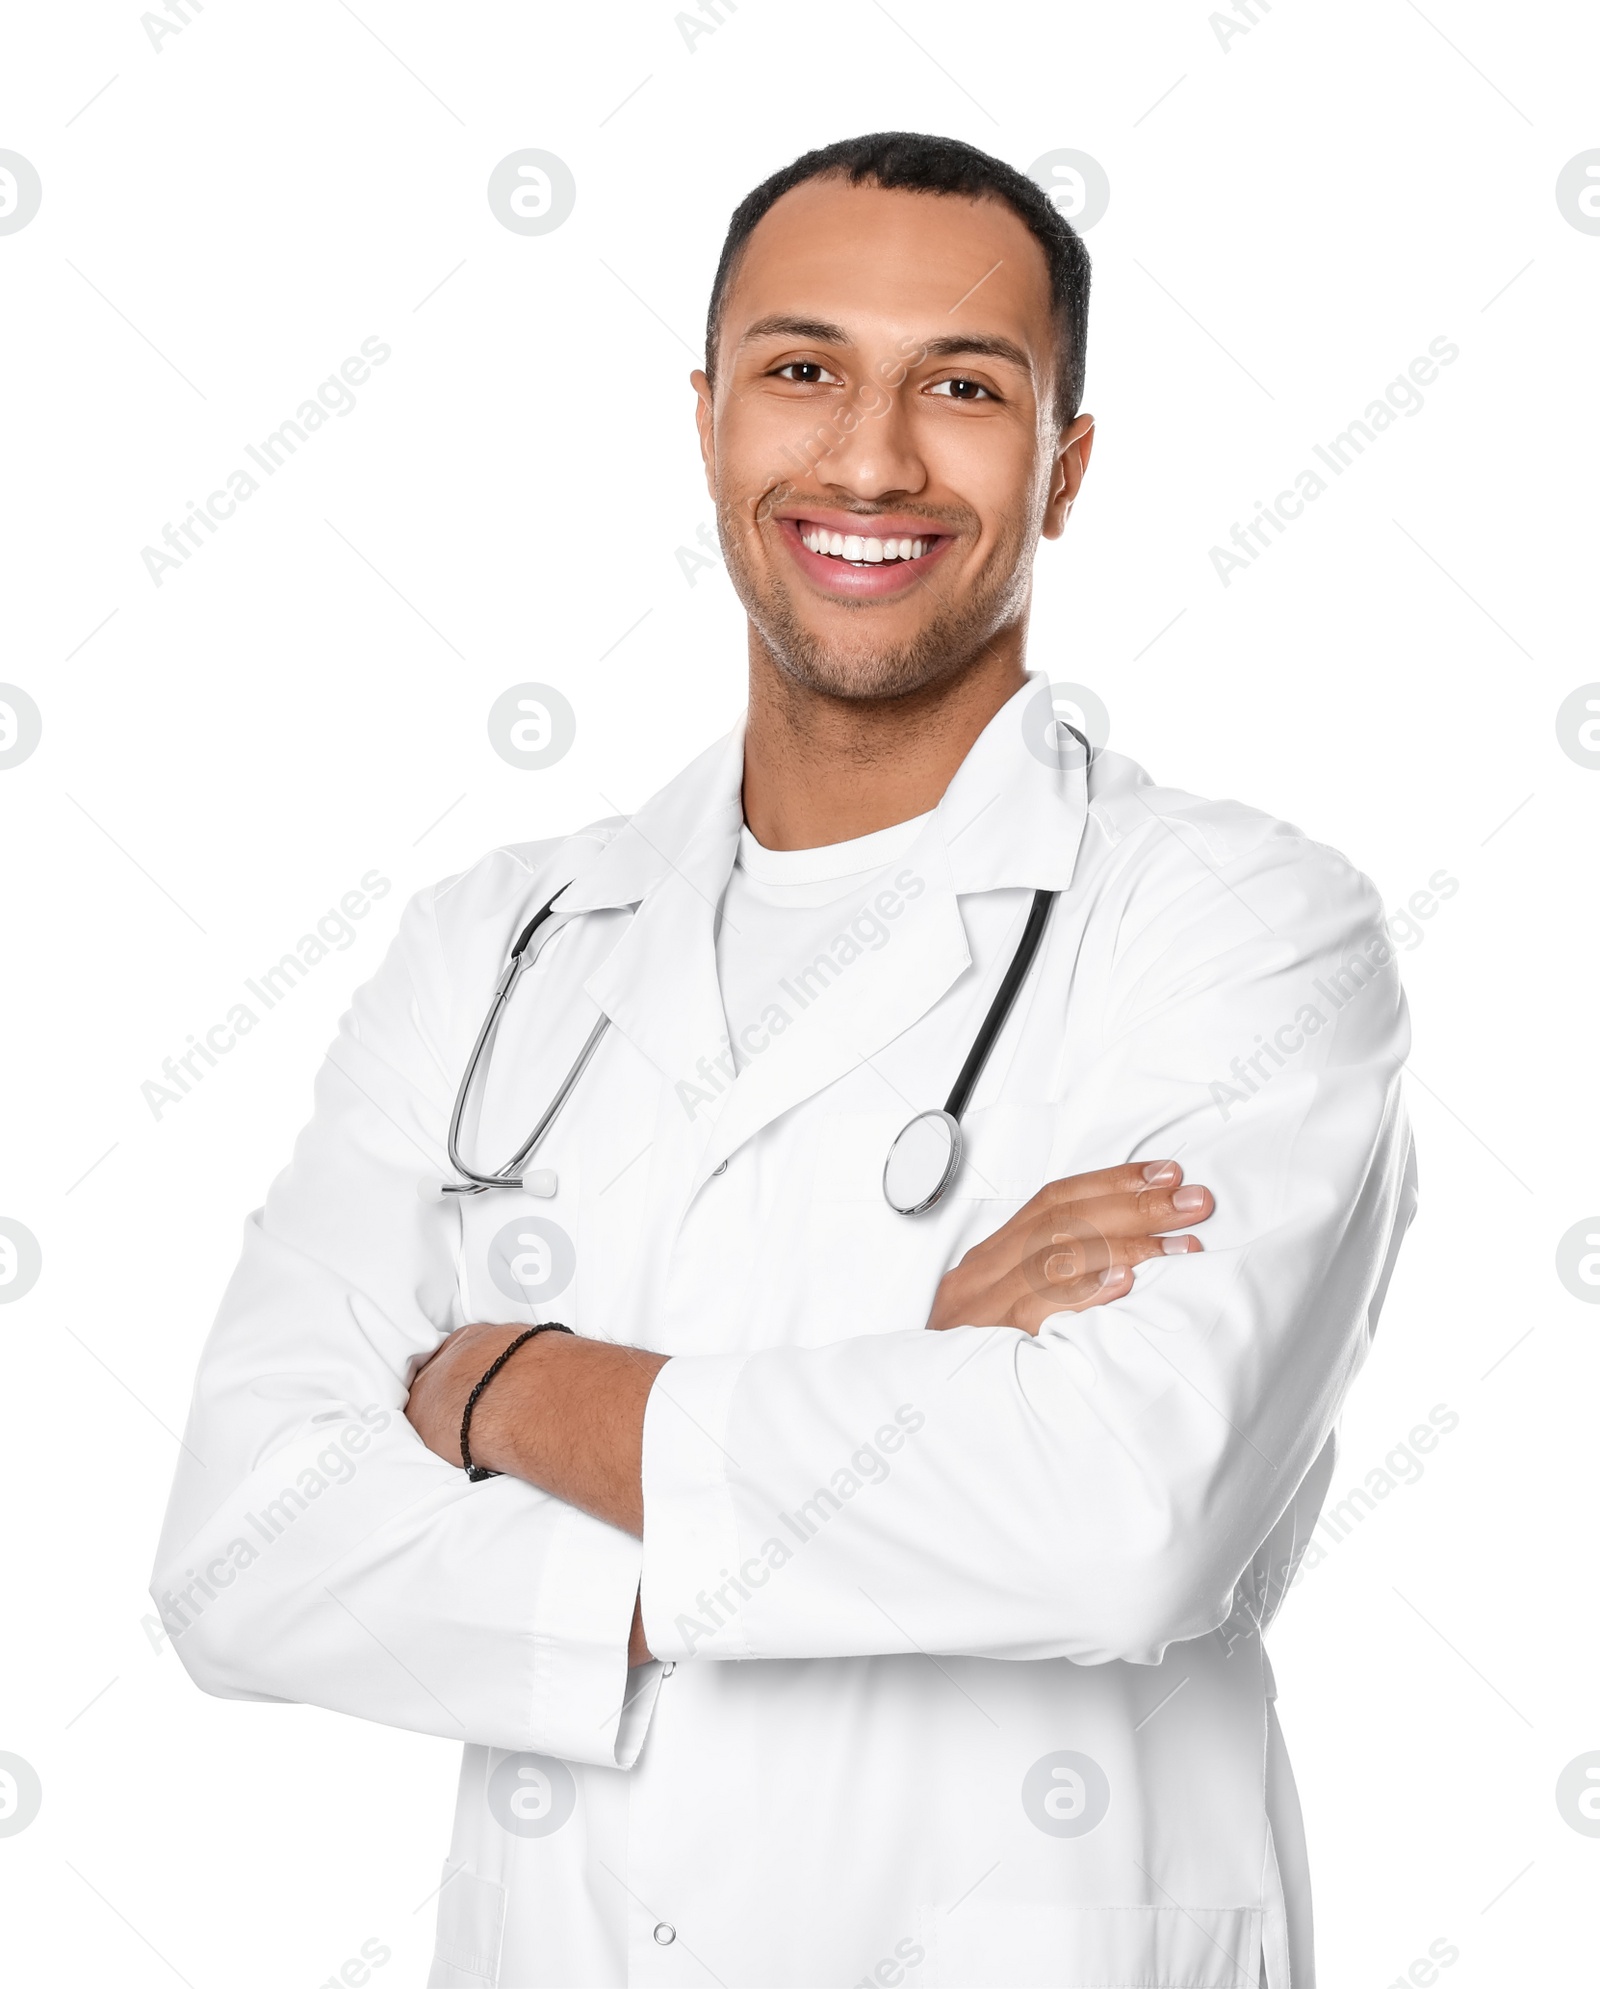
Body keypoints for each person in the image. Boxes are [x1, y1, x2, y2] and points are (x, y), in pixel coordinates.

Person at [153, 131, 1415, 1989]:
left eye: (964, 388)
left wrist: (505, 1386)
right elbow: (237, 1555)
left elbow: (1114, 1521)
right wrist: (913, 1403)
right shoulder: (500, 945)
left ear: (1064, 466)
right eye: (804, 368)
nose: (872, 457)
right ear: (709, 417)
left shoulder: (1242, 925)